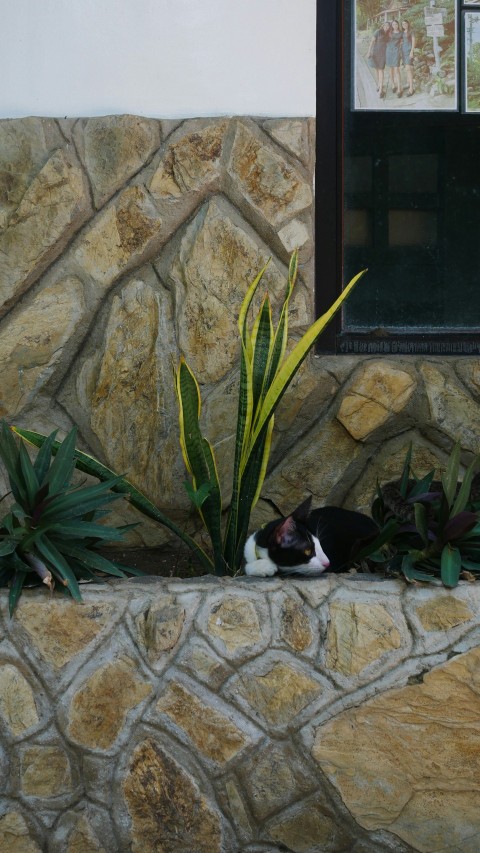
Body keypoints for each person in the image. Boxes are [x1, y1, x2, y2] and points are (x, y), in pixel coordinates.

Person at [367, 21, 391, 99]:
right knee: (377, 69)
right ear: (383, 25)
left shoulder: (388, 34)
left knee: (381, 70)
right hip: (375, 52)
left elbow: (391, 42)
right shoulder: (378, 31)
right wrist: (369, 52)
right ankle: (379, 84)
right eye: (386, 25)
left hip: (383, 54)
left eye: (388, 26)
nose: (387, 27)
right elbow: (372, 42)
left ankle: (381, 90)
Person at [386, 19, 403, 98]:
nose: (395, 26)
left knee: (397, 70)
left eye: (396, 24)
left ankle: (399, 88)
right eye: (393, 25)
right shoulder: (389, 33)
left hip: (396, 52)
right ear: (391, 26)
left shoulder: (401, 33)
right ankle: (393, 84)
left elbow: (403, 41)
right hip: (389, 51)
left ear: (398, 25)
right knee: (391, 69)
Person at [401, 20, 416, 96]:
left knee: (408, 68)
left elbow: (413, 41)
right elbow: (402, 41)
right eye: (403, 24)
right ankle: (408, 83)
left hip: (409, 52)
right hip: (403, 52)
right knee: (408, 68)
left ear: (408, 24)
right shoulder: (403, 32)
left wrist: (412, 51)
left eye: (405, 23)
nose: (404, 25)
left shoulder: (411, 31)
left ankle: (411, 88)